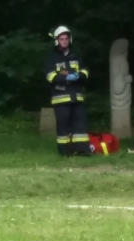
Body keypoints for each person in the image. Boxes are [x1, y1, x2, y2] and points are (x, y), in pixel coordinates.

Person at [44, 25, 91, 157]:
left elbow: (85, 71)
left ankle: (82, 150)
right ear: (57, 41)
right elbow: (49, 76)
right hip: (60, 98)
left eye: (66, 38)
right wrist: (65, 78)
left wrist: (79, 76)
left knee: (80, 124)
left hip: (76, 97)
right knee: (63, 126)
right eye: (62, 39)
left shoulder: (75, 56)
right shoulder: (52, 58)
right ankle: (64, 152)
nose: (64, 41)